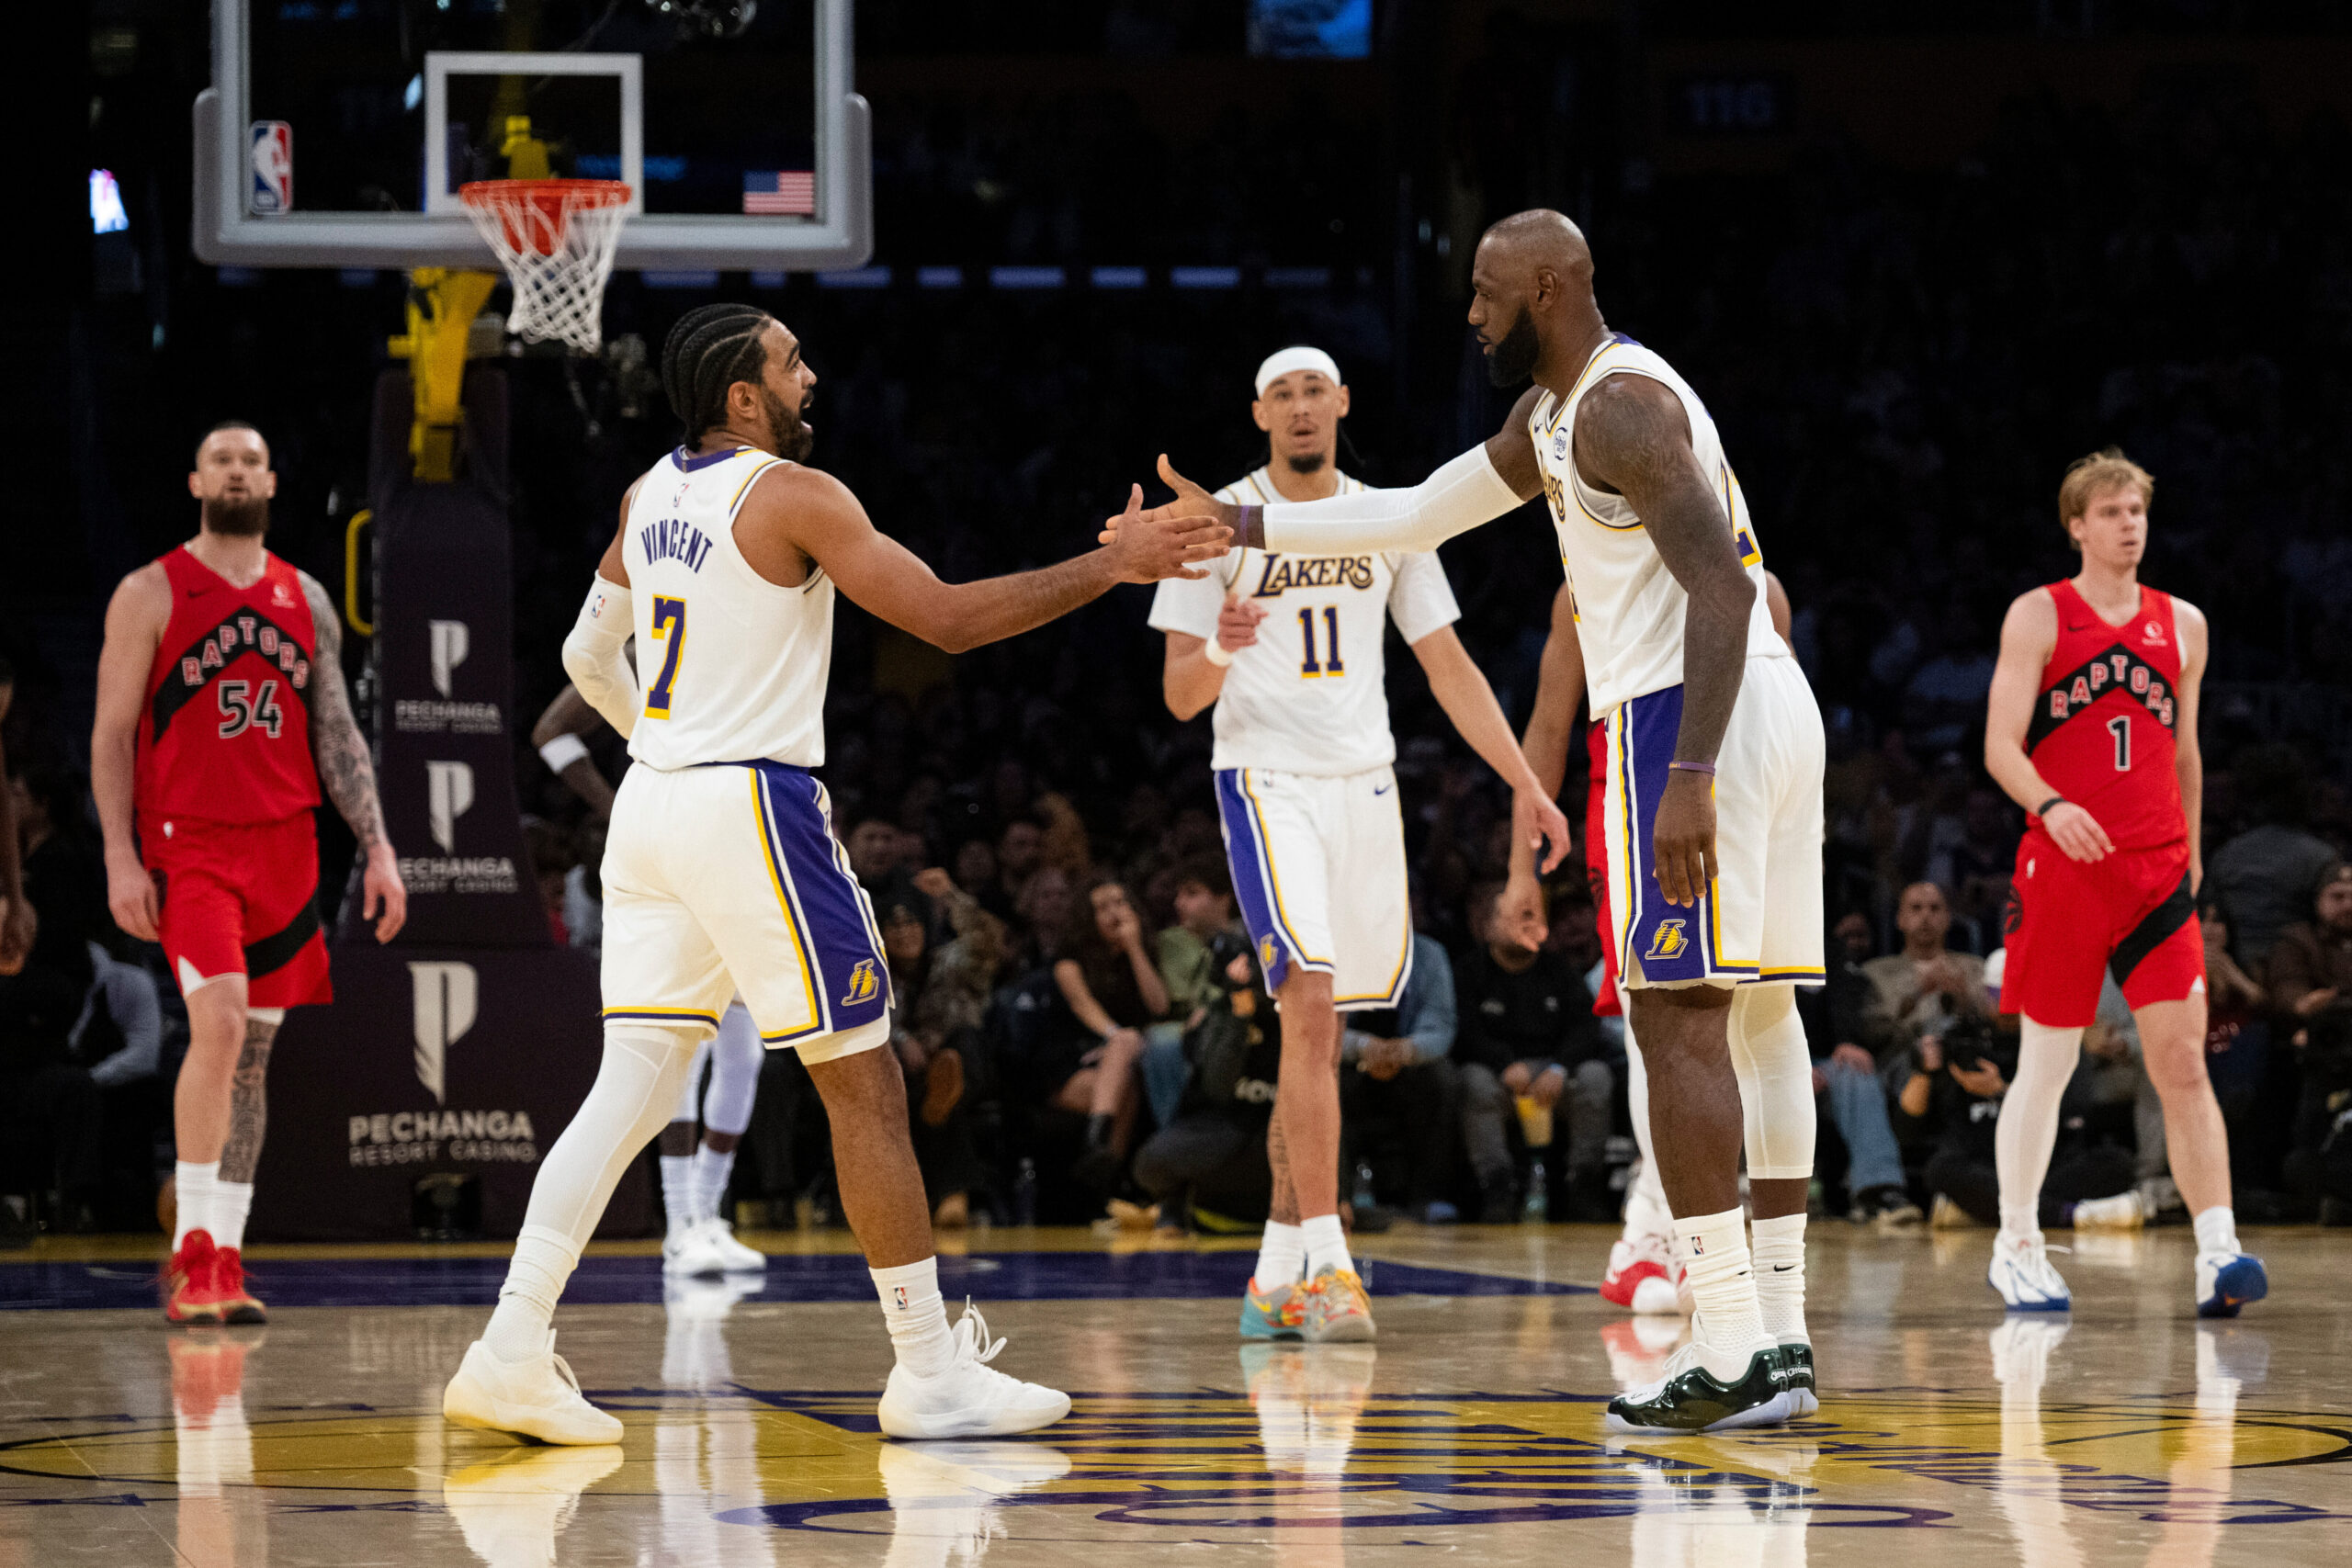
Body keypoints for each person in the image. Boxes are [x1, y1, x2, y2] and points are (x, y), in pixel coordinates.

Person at [443, 303, 1226, 1445]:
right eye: (791, 362)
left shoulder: (646, 496)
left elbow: (580, 655)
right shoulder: (795, 495)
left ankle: (510, 1349)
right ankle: (929, 1372)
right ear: (743, 395)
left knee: (633, 1087)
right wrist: (1115, 564)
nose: (810, 377)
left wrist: (663, 741)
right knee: (864, 1083)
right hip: (749, 805)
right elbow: (946, 621)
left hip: (653, 810)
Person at [1131, 212, 1826, 1430]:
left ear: (1547, 288)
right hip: (1764, 706)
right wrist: (1236, 525)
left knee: (1678, 1018)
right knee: (1760, 1019)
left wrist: (1687, 771)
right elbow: (1408, 514)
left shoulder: (1619, 407)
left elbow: (1724, 586)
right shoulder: (1551, 416)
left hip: (1691, 705)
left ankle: (1727, 1345)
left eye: (1487, 292)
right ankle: (1779, 1337)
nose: (1470, 314)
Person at [1144, 343, 1570, 1347]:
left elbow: (1449, 666)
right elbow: (1179, 695)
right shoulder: (1217, 521)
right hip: (1266, 781)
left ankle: (1274, 1272)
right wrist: (1220, 649)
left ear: (1341, 402)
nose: (1299, 407)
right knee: (1307, 1005)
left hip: (1366, 787)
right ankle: (1331, 1266)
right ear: (1259, 413)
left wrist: (1525, 782)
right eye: (1280, 394)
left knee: (1321, 1032)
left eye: (1313, 391)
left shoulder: (1391, 519)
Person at [91, 420, 407, 1325]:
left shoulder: (305, 596)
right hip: (190, 846)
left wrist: (379, 845)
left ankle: (225, 1256)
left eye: (251, 461)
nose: (236, 471)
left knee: (253, 1057)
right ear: (196, 482)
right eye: (221, 460)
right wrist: (119, 854)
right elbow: (112, 734)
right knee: (221, 1024)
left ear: (271, 482)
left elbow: (337, 731)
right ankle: (191, 1251)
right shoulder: (150, 591)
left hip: (286, 848)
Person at [1981, 447, 2266, 1317]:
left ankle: (2218, 1250)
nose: (2128, 523)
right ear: (2077, 525)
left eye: (2136, 509)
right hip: (2064, 865)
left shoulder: (2184, 623)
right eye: (2110, 511)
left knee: (2182, 1060)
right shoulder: (2039, 613)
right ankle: (2017, 1243)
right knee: (2048, 1061)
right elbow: (1999, 747)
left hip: (2156, 870)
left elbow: (2185, 752)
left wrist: (2194, 850)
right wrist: (2051, 802)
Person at [1520, 570, 1794, 1311]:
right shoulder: (1580, 585)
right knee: (1661, 1020)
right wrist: (1521, 867)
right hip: (1628, 800)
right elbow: (1547, 726)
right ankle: (1679, 1234)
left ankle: (1650, 1233)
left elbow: (1783, 721)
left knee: (1736, 1025)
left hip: (1736, 804)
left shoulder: (1760, 589)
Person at [534, 682, 770, 1279]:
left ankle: (708, 1213)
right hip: (669, 858)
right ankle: (681, 1222)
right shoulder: (642, 648)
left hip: (738, 848)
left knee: (744, 1052)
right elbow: (550, 733)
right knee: (687, 1044)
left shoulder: (742, 646)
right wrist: (617, 807)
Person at [1453, 881, 1610, 1220]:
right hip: (1497, 1074)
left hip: (1552, 1074)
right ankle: (1497, 1186)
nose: (1524, 925)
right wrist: (1503, 1064)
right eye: (1512, 917)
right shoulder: (1469, 971)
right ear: (1488, 927)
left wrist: (1559, 1068)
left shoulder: (1559, 970)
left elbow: (1586, 1026)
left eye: (1531, 918)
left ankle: (1583, 1183)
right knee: (1473, 1081)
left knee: (1595, 1076)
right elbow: (1464, 1032)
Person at [1046, 876, 1169, 1190]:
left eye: (1120, 903)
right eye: (1103, 907)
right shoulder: (1069, 960)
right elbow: (1083, 1006)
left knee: (1127, 1078)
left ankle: (1100, 1160)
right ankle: (1105, 1163)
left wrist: (1135, 949)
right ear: (1088, 918)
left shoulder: (1143, 953)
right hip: (1073, 1061)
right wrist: (1117, 1040)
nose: (1115, 913)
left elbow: (1159, 1007)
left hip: (1122, 1065)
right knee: (1126, 1051)